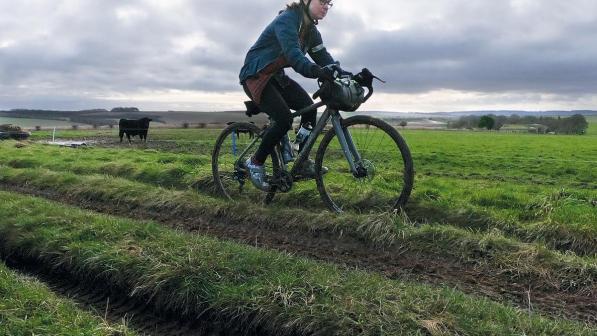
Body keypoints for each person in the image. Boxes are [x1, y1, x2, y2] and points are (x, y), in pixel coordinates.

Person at [239, 0, 342, 190]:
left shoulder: (311, 31)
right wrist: (316, 71)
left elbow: (323, 57)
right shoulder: (287, 20)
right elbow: (294, 55)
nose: (326, 6)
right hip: (256, 75)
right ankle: (255, 162)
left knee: (309, 109)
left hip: (276, 77)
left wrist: (344, 74)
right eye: (322, 2)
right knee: (284, 119)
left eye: (329, 3)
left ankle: (301, 158)